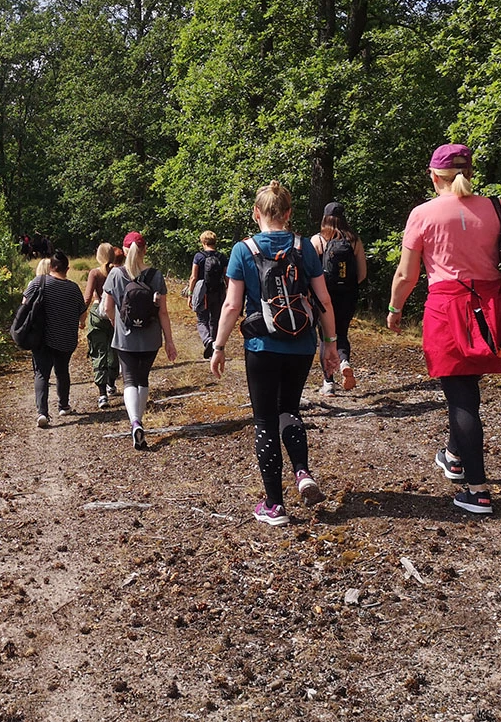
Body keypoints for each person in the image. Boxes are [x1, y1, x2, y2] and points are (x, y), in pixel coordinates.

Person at [387, 144, 501, 515]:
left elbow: (406, 274)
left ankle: (478, 490)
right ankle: (455, 457)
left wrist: (394, 309)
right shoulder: (497, 208)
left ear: (433, 175)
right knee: (467, 388)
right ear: (469, 172)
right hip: (490, 309)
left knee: (461, 398)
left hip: (448, 308)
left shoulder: (423, 214)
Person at [210, 181, 339, 526]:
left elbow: (231, 305)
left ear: (257, 213)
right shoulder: (304, 246)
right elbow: (324, 299)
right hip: (301, 344)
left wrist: (218, 346)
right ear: (288, 213)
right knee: (289, 409)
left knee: (265, 419)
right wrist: (330, 342)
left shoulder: (243, 250)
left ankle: (274, 505)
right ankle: (302, 472)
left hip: (262, 346)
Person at [102, 231, 178, 450]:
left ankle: (135, 422)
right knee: (142, 379)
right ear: (145, 250)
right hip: (150, 337)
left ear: (124, 251)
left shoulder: (115, 274)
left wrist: (117, 324)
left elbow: (107, 308)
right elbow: (163, 312)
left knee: (129, 379)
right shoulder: (156, 275)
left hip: (125, 338)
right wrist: (169, 341)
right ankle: (139, 419)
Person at [20, 250, 86, 428]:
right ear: (67, 269)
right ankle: (63, 406)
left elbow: (24, 303)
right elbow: (82, 313)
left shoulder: (39, 282)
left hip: (41, 338)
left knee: (42, 373)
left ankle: (42, 413)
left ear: (51, 267)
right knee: (62, 371)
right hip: (66, 338)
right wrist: (78, 322)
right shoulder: (73, 288)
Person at [310, 202, 367, 395]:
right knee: (341, 333)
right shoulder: (354, 241)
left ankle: (328, 383)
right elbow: (362, 274)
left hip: (324, 295)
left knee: (325, 337)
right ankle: (344, 362)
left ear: (324, 218)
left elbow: (309, 273)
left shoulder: (318, 240)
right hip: (348, 296)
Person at [81, 243, 120, 409]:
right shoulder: (119, 272)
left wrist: (81, 318)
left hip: (98, 315)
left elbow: (87, 298)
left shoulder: (95, 273)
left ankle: (102, 394)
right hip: (115, 314)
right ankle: (112, 383)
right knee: (114, 350)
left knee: (99, 353)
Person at [187, 231, 227, 360]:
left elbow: (193, 277)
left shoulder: (199, 256)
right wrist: (228, 292)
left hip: (202, 293)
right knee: (215, 320)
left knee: (201, 320)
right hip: (218, 292)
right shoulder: (222, 257)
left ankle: (207, 340)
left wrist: (190, 294)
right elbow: (226, 276)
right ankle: (214, 347)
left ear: (203, 242)